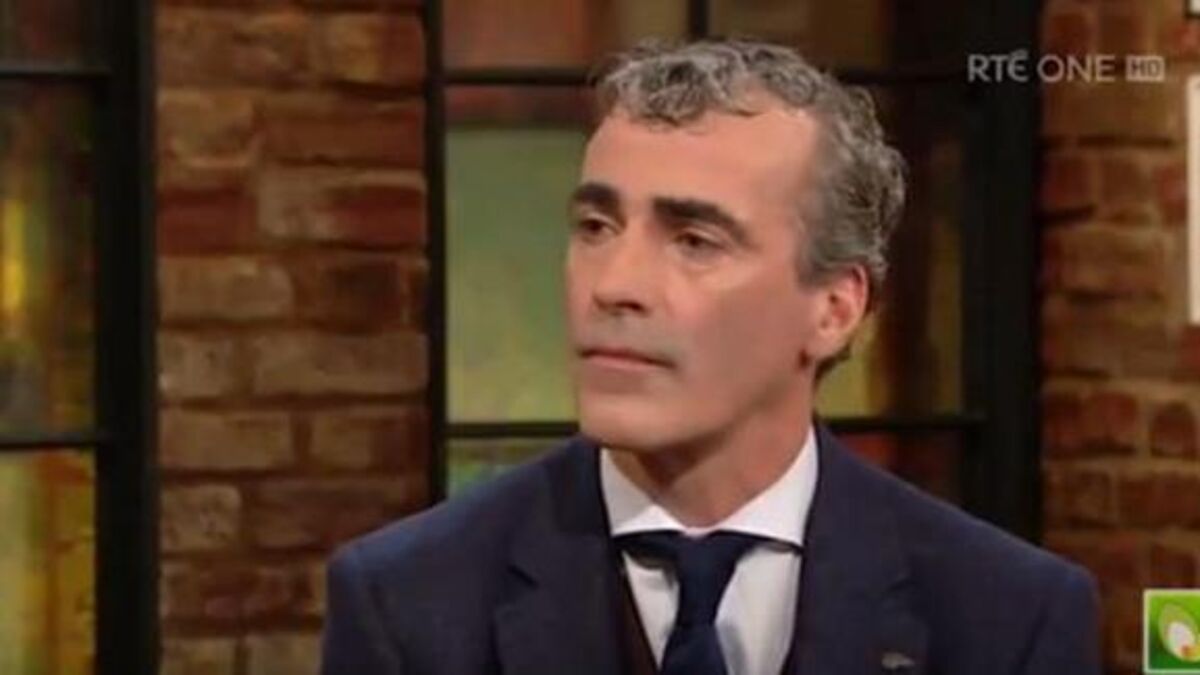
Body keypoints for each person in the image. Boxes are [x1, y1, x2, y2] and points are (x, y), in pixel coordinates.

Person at [320, 39, 1102, 675]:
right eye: (596, 227)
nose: (613, 285)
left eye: (694, 240)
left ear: (834, 308)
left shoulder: (1009, 619)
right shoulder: (407, 604)